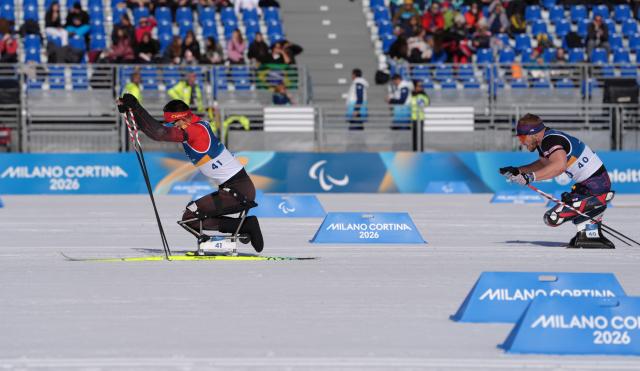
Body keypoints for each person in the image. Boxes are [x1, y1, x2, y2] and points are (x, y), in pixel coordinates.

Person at [117, 95, 264, 252]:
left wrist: (138, 108)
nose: (174, 127)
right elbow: (154, 129)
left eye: (174, 123)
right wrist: (132, 111)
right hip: (235, 189)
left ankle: (246, 226)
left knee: (190, 217)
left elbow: (159, 133)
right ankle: (245, 226)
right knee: (190, 216)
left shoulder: (196, 131)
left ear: (183, 119)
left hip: (238, 191)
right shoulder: (192, 124)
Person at [499, 113, 615, 249]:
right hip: (589, 186)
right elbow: (544, 164)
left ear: (533, 134)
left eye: (522, 137)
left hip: (596, 187)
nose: (521, 142)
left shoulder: (550, 140)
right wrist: (519, 170)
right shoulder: (546, 140)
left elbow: (559, 166)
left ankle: (591, 227)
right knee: (553, 217)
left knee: (552, 218)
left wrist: (530, 177)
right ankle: (588, 231)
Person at [410, 80, 429, 151]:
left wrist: (420, 98)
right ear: (414, 87)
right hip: (411, 118)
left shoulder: (423, 95)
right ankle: (414, 151)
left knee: (420, 136)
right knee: (413, 137)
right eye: (419, 86)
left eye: (421, 86)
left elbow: (425, 103)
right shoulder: (410, 95)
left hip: (420, 118)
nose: (421, 87)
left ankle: (421, 151)